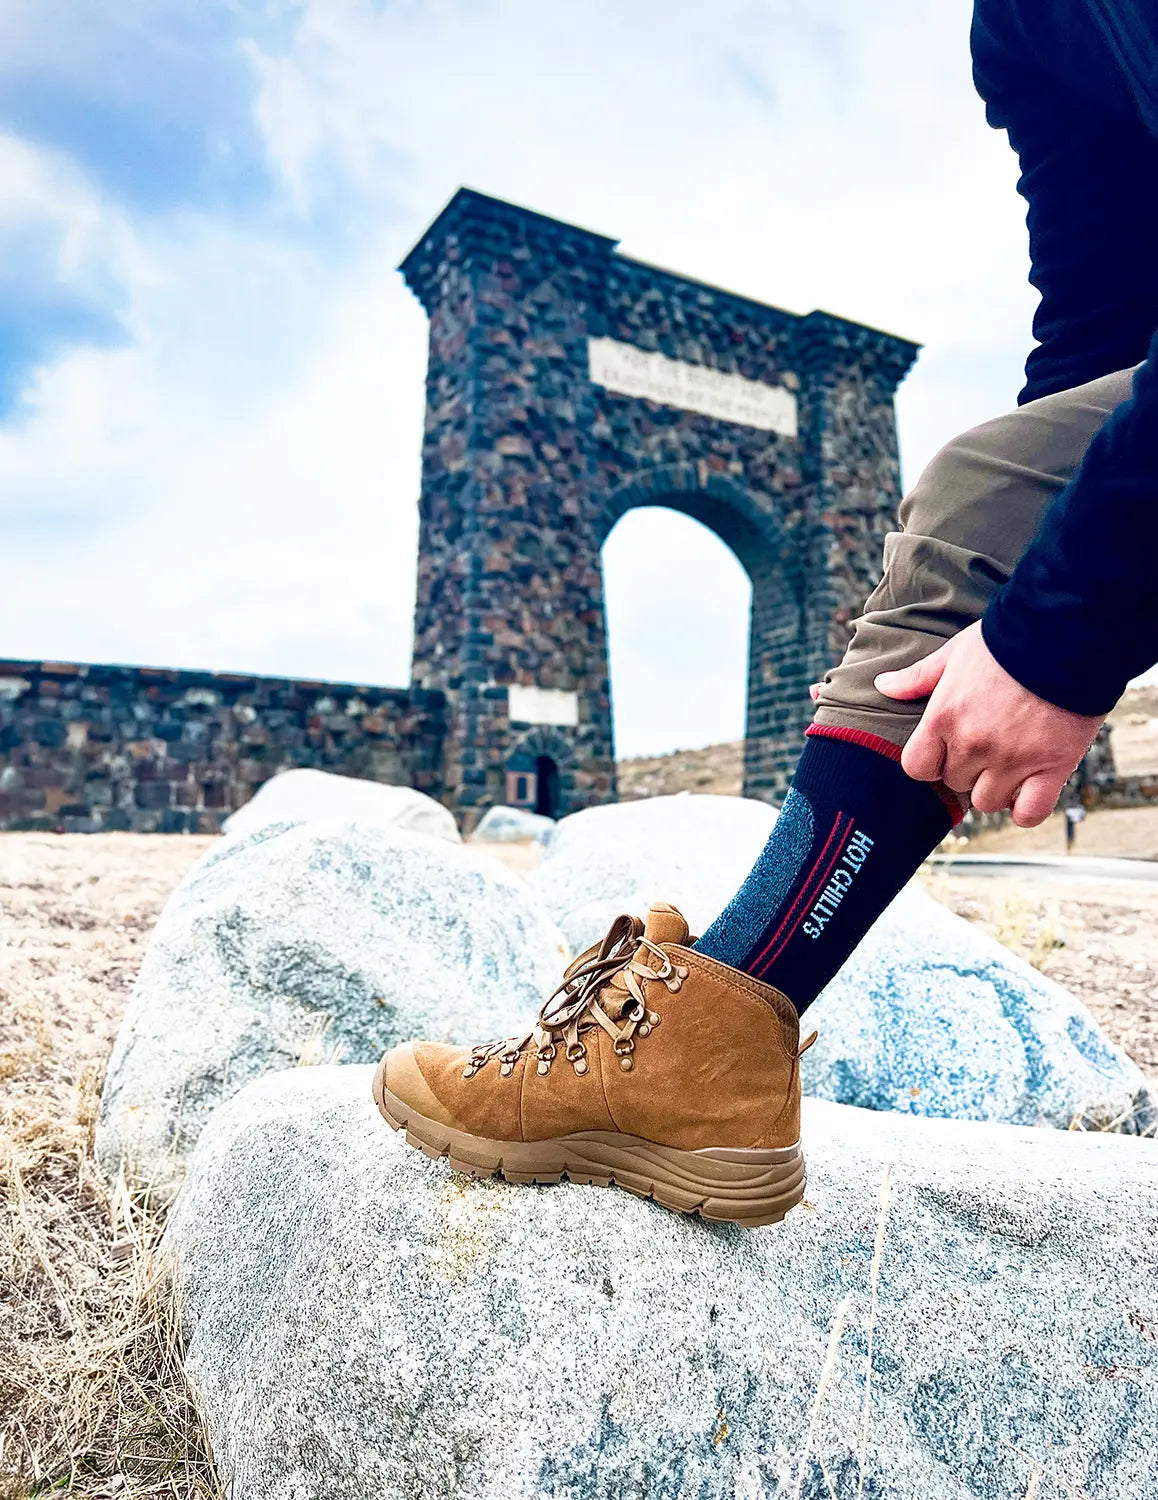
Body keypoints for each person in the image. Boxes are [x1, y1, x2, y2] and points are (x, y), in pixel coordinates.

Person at [373, 0, 1158, 1227]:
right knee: (987, 495)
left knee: (970, 501)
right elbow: (1104, 329)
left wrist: (1060, 639)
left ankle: (704, 1038)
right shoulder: (1027, 24)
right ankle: (709, 1050)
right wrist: (1020, 591)